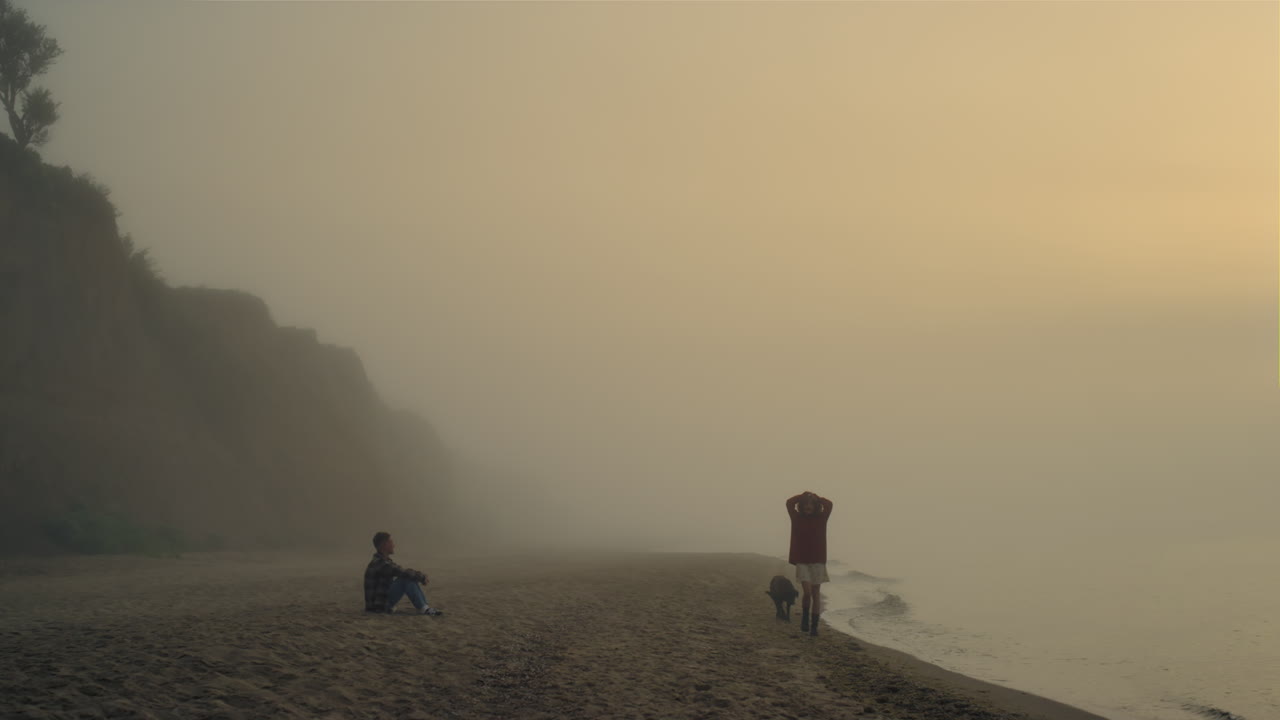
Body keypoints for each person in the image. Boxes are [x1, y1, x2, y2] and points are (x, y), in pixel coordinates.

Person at [786, 490, 833, 636]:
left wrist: (816, 497)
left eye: (811, 504)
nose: (808, 506)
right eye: (805, 504)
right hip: (802, 560)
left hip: (818, 560)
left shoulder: (821, 518)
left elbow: (829, 504)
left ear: (815, 506)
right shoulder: (796, 518)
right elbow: (789, 503)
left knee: (816, 593)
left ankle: (814, 626)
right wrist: (803, 496)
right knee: (807, 592)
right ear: (801, 505)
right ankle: (805, 618)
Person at [364, 531, 443, 616]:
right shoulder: (379, 563)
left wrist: (419, 576)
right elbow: (402, 572)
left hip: (379, 605)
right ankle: (424, 609)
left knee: (408, 576)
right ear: (384, 544)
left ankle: (425, 608)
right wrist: (422, 577)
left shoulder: (383, 561)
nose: (393, 545)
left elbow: (401, 569)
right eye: (391, 542)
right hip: (378, 607)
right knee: (406, 578)